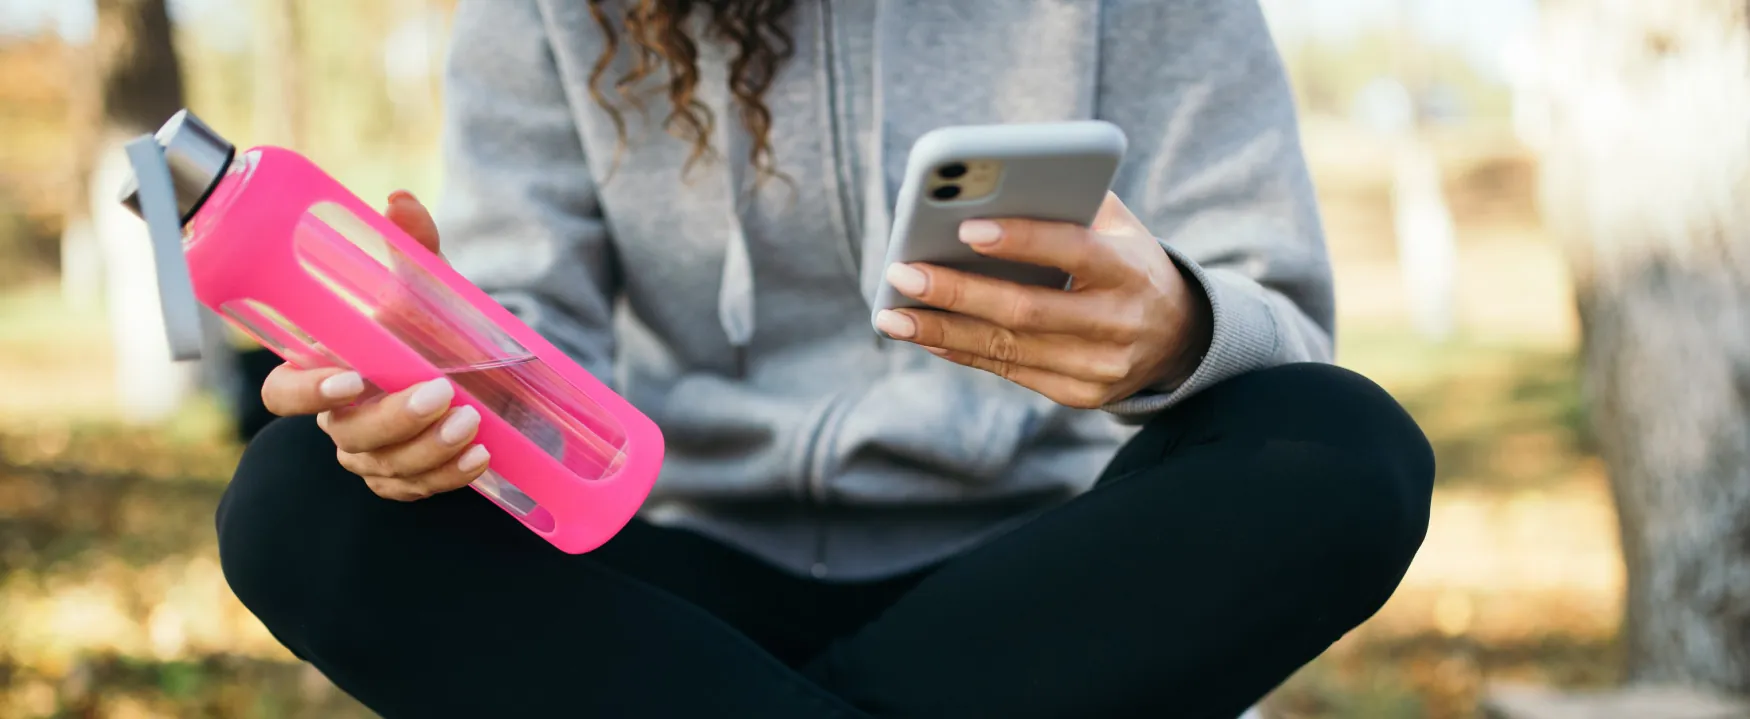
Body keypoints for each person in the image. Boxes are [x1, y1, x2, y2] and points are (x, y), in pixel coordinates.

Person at [215, 1, 1435, 717]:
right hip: (668, 590)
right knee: (299, 497)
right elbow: (536, 335)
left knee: (1347, 447)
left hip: (1043, 580)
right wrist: (438, 384)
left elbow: (1280, 327)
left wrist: (1178, 326)